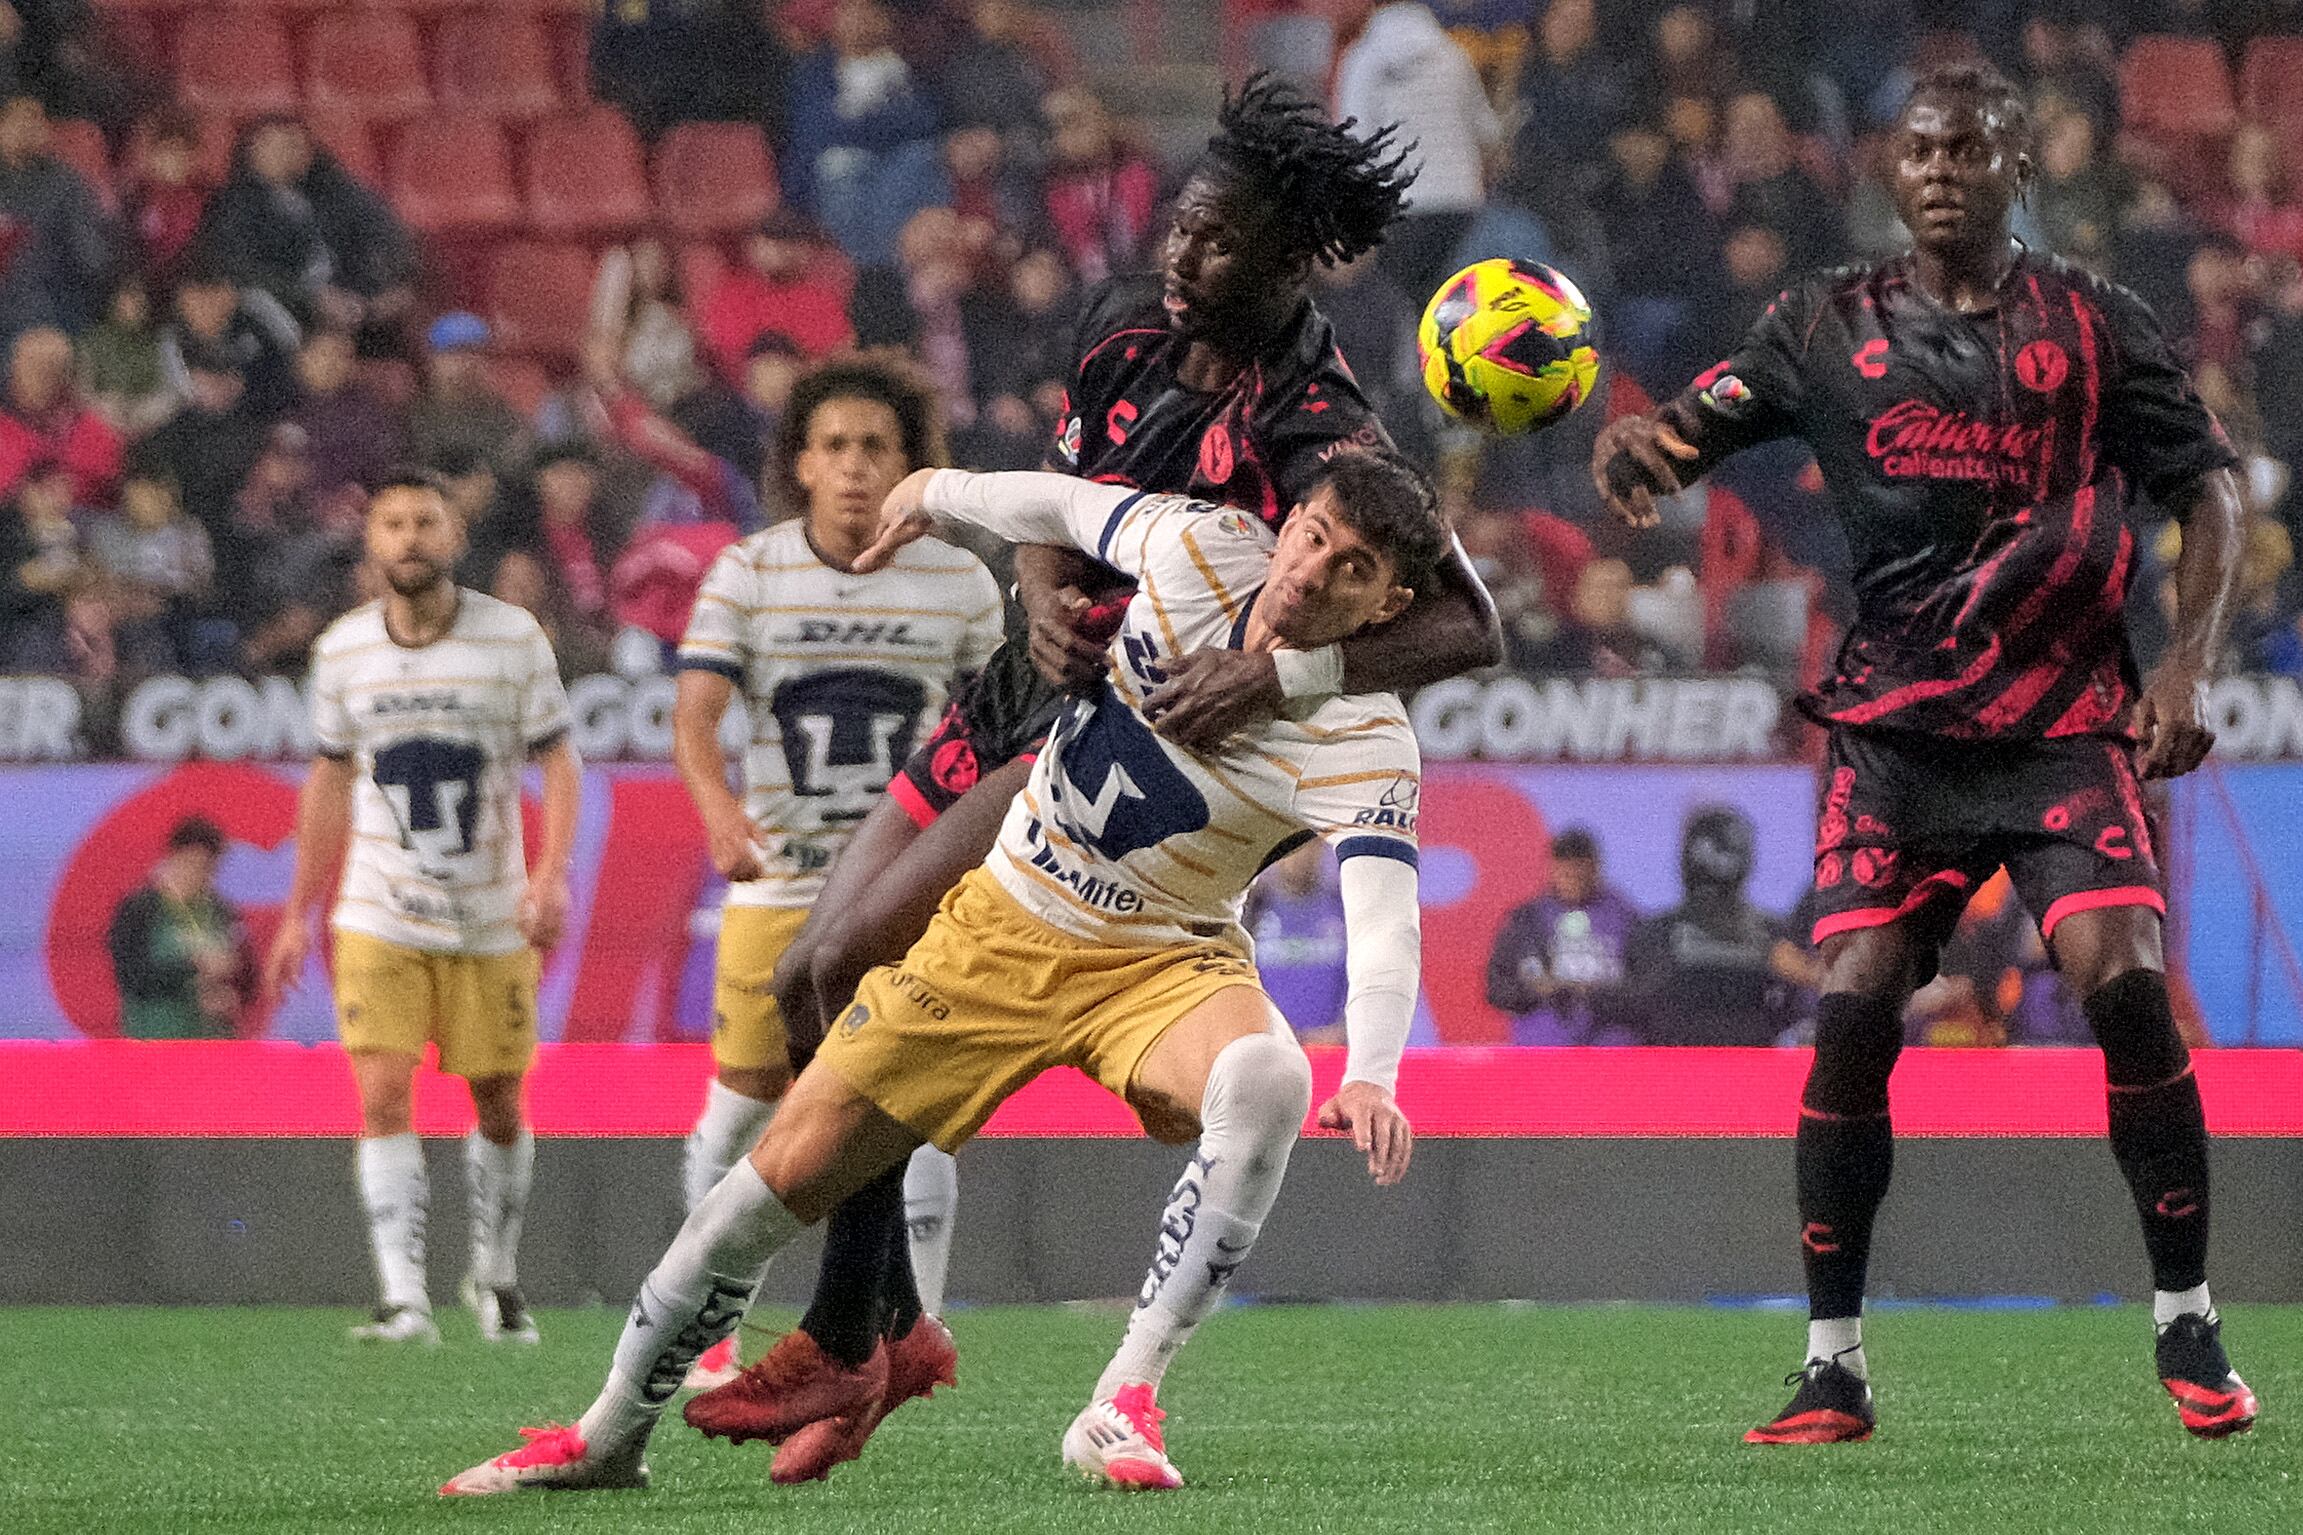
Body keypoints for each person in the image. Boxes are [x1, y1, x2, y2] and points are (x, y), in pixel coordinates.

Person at [735, 73, 1499, 1485]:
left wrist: (1268, 676)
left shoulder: (1322, 427)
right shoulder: (1125, 320)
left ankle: (853, 1334)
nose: (1181, 255)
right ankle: (883, 1327)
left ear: (1288, 261)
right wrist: (1031, 582)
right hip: (1019, 680)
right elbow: (1062, 490)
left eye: (1218, 243)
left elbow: (1467, 627)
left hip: (1119, 734)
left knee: (847, 953)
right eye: (1183, 226)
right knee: (804, 979)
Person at [440, 451, 1437, 1498]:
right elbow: (1056, 502)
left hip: (1165, 955)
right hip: (1004, 920)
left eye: (1354, 566)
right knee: (758, 1196)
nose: (1315, 570)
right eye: (1313, 534)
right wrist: (932, 490)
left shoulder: (1368, 743)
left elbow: (1384, 911)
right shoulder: (1196, 547)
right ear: (1286, 528)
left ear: (1390, 603)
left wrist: (1370, 1069)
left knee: (1271, 1079)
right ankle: (608, 1437)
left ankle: (1121, 1400)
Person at [1592, 64, 2256, 1444]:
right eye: (1918, 150)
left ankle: (2184, 1320)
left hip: (2063, 717)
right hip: (1894, 731)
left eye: (1966, 147)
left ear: (2013, 164)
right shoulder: (1821, 325)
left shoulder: (2092, 322)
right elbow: (1678, 438)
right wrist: (1639, 457)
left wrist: (2184, 660)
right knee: (1848, 999)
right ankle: (1831, 1362)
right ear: (1889, 174)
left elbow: (2204, 483)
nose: (1940, 167)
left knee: (2121, 981)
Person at [669, 357, 1001, 1398]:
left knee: (918, 1099)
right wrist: (719, 810)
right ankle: (714, 1327)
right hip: (779, 888)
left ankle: (912, 1331)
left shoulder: (961, 580)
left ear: (911, 466)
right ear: (800, 464)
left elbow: (1002, 729)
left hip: (913, 887)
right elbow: (695, 717)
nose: (856, 467)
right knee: (743, 1107)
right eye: (836, 447)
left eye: (878, 447)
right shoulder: (749, 571)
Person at [263, 471, 581, 1348]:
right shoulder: (343, 649)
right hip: (379, 909)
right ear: (370, 541)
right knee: (382, 1090)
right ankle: (403, 1298)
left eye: (425, 522)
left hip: (487, 911)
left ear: (454, 537)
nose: (409, 537)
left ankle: (496, 1272)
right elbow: (330, 779)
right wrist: (298, 908)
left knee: (499, 1100)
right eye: (393, 523)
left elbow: (558, 760)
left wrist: (549, 874)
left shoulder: (511, 638)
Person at [1320, 0, 1500, 303]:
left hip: (1400, 209)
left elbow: (1354, 145)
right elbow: (1489, 136)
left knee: (1402, 311)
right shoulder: (1453, 55)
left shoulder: (1363, 59)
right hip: (1461, 207)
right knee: (1452, 307)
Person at [1618, 805, 1803, 1047]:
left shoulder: (1774, 937)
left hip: (1733, 1066)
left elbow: (1637, 1001)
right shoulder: (1774, 935)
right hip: (1701, 1066)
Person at [1485, 827, 1638, 1044]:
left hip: (1610, 1048)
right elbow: (1497, 987)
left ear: (1595, 868)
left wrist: (1600, 993)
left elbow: (1647, 987)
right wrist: (1539, 990)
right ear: (1552, 868)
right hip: (1544, 1050)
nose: (1572, 879)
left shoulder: (1624, 917)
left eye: (1579, 871)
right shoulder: (1527, 920)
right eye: (1565, 871)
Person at [107, 816, 251, 1040]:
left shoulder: (222, 912)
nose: (197, 876)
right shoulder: (138, 909)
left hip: (214, 1044)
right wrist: (193, 966)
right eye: (190, 864)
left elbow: (249, 975)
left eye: (207, 868)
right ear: (172, 858)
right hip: (155, 1043)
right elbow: (132, 977)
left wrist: (232, 996)